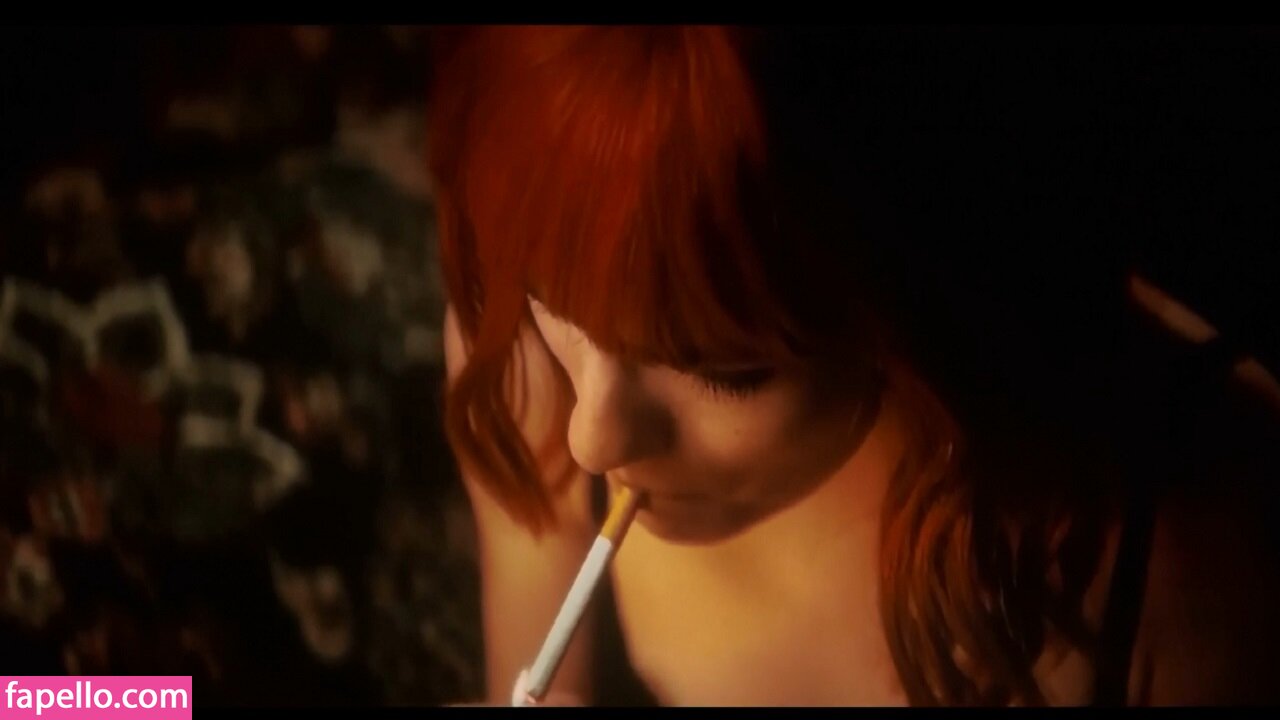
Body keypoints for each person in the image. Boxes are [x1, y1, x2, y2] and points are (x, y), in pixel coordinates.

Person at [426, 26, 1280, 706]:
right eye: (551, 296)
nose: (593, 439)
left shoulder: (1169, 583)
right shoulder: (524, 367)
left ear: (909, 299)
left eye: (725, 369)